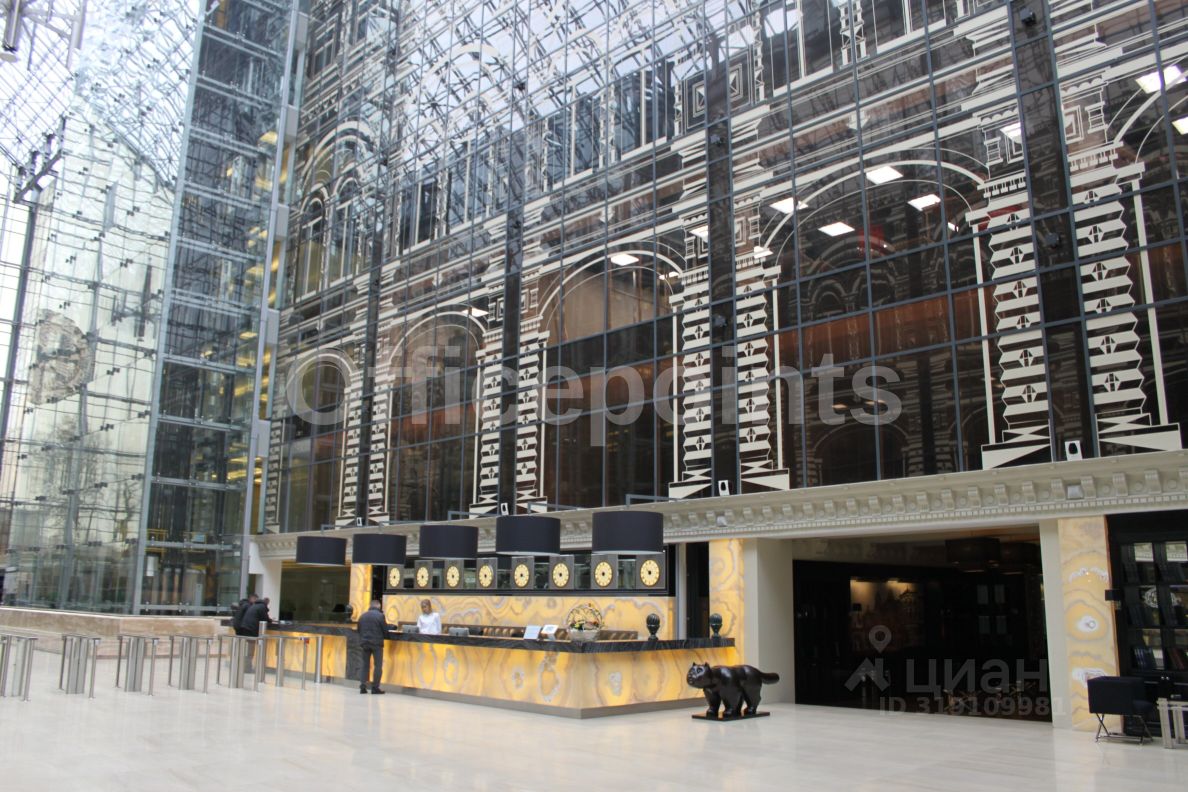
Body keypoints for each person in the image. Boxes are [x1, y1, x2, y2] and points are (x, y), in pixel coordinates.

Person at [356, 599, 389, 694]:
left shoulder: (362, 616)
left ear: (370, 606)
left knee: (365, 665)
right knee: (377, 666)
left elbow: (359, 630)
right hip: (376, 644)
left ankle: (363, 686)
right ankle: (375, 687)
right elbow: (385, 631)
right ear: (378, 606)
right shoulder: (380, 616)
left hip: (364, 643)